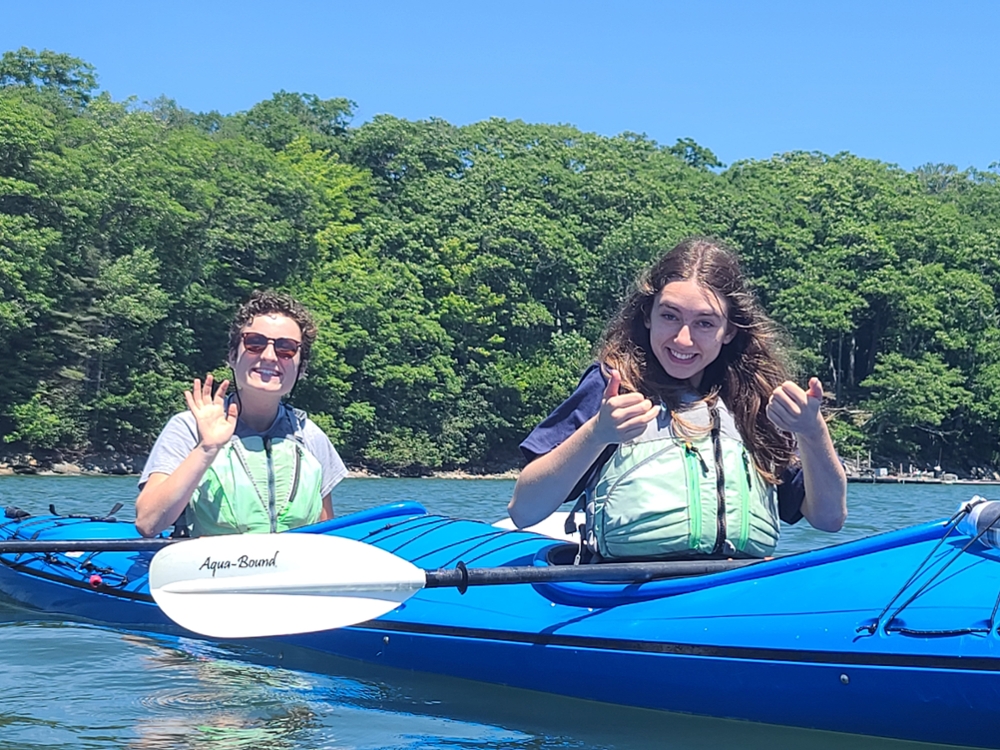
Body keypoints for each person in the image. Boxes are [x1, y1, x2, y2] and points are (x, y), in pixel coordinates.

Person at [507, 237, 846, 561]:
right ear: (648, 316)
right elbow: (524, 511)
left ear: (729, 331)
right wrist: (597, 433)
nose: (683, 340)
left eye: (704, 323)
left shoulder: (758, 400)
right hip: (626, 592)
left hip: (736, 588)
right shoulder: (613, 386)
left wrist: (812, 432)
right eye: (670, 316)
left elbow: (829, 519)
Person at [135, 290, 347, 538]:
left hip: (291, 573)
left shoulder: (309, 436)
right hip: (212, 572)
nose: (269, 356)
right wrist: (207, 448)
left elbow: (327, 535)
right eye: (254, 343)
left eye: (286, 349)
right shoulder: (189, 427)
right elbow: (148, 523)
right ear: (233, 357)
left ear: (301, 368)